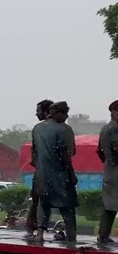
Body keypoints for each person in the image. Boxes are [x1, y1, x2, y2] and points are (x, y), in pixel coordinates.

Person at [28, 101, 78, 243]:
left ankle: (39, 234)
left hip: (42, 174)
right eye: (65, 113)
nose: (67, 116)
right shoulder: (63, 130)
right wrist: (71, 174)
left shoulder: (37, 128)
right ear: (58, 113)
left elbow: (34, 153)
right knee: (68, 206)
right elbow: (66, 154)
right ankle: (71, 236)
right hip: (59, 174)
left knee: (44, 204)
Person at [24, 99, 53, 235]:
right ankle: (40, 228)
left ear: (46, 111)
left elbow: (34, 152)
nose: (36, 114)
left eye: (38, 111)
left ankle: (33, 228)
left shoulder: (39, 129)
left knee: (37, 200)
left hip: (41, 171)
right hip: (53, 171)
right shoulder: (59, 128)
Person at [97, 100, 118, 246]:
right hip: (115, 170)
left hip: (111, 170)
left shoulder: (108, 129)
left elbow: (100, 151)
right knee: (110, 205)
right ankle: (103, 236)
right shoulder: (113, 129)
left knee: (111, 205)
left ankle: (104, 235)